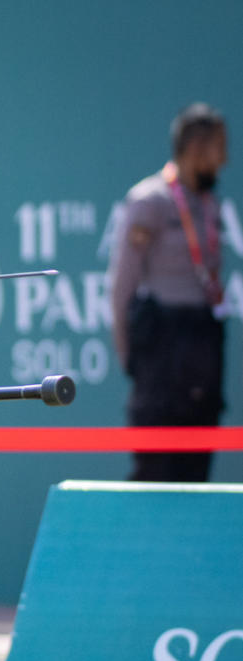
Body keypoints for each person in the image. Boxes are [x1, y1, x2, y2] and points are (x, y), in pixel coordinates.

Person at [109, 103, 229, 482]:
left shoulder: (208, 204)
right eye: (219, 147)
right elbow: (122, 285)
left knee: (197, 472)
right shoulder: (150, 201)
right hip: (162, 353)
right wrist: (130, 355)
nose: (225, 159)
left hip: (203, 349)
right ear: (195, 147)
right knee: (156, 471)